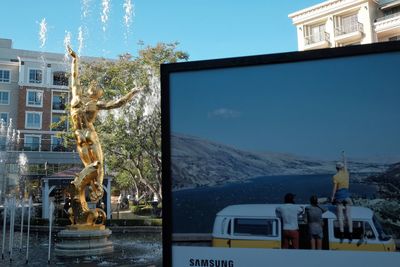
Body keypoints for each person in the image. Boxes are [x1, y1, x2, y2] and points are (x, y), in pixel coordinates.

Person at [331, 152, 353, 241]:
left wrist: (332, 197)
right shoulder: (346, 173)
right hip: (347, 197)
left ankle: (342, 233)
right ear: (343, 167)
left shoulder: (335, 176)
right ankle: (351, 233)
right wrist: (344, 156)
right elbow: (346, 163)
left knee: (340, 216)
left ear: (336, 168)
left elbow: (334, 189)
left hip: (339, 197)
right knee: (348, 216)